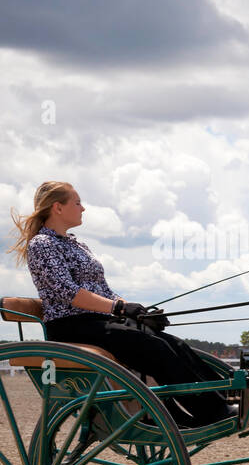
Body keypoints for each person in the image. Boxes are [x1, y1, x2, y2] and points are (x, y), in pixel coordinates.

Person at [8, 182, 235, 427]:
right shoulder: (43, 244)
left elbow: (105, 291)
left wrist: (136, 311)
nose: (83, 208)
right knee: (154, 349)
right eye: (77, 202)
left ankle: (224, 399)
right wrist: (118, 309)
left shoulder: (76, 244)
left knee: (174, 344)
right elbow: (68, 292)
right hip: (71, 326)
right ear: (58, 208)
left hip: (98, 321)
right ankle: (210, 411)